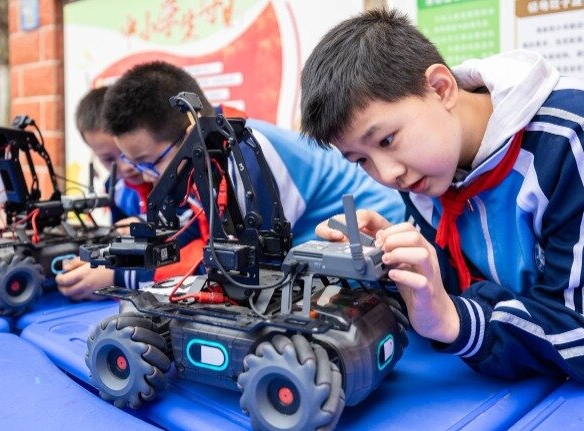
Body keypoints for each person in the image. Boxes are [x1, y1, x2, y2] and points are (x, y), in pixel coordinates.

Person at [301, 8, 584, 384]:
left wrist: (454, 320)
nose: (387, 174)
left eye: (386, 140)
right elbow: (457, 287)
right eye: (361, 160)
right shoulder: (427, 175)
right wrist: (396, 264)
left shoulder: (573, 138)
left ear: (441, 89)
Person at [96, 60, 405, 293]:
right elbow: (204, 235)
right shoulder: (214, 146)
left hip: (380, 262)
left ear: (190, 135)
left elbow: (241, 265)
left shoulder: (245, 151)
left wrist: (124, 275)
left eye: (149, 163)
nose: (148, 177)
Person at [55, 86, 152, 300]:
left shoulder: (167, 178)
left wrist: (117, 277)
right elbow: (120, 245)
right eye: (109, 159)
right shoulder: (115, 188)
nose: (125, 166)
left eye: (128, 152)